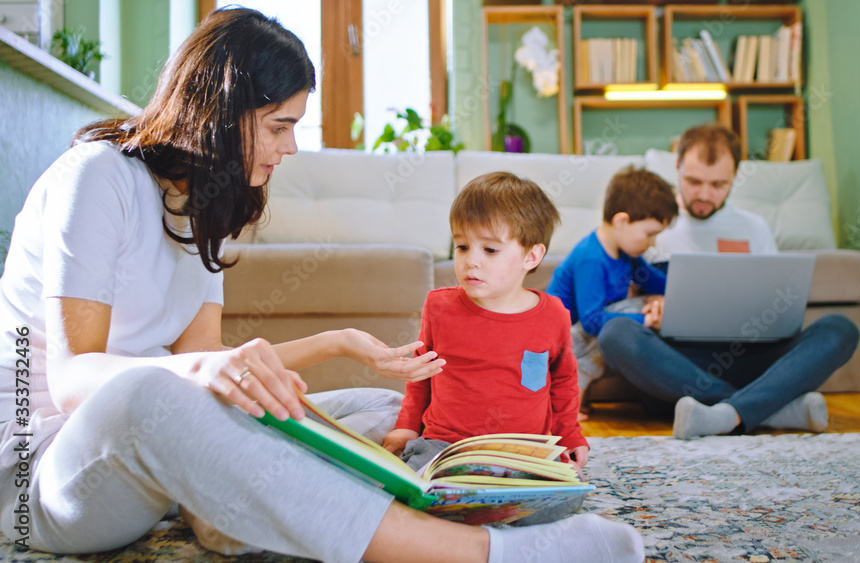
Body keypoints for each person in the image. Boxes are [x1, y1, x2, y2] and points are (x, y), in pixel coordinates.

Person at [0, 8, 644, 563]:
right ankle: (482, 554)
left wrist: (339, 342)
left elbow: (221, 375)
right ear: (220, 112)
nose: (293, 147)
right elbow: (74, 379)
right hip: (43, 472)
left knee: (384, 415)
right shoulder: (97, 178)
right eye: (279, 125)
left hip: (158, 459)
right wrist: (202, 372)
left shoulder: (202, 207)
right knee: (152, 393)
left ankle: (230, 517)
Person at [597, 124, 860, 440]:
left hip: (752, 356)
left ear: (736, 175)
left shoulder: (754, 228)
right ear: (677, 167)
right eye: (694, 181)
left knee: (840, 330)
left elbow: (779, 306)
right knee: (614, 333)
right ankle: (769, 409)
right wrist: (645, 303)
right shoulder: (651, 226)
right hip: (678, 363)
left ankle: (720, 412)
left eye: (718, 184)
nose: (704, 194)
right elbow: (614, 300)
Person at [382, 172, 589, 477]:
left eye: (490, 250)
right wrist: (406, 427)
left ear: (531, 256)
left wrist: (569, 433)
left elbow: (562, 382)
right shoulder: (439, 307)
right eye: (462, 247)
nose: (471, 261)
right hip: (445, 447)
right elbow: (419, 377)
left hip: (524, 450)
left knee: (560, 499)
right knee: (412, 487)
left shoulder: (553, 314)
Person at [545, 166, 678, 419]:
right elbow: (592, 321)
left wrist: (681, 290)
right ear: (622, 221)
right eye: (650, 234)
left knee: (639, 304)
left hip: (584, 334)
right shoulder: (591, 257)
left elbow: (657, 281)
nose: (653, 243)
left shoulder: (627, 253)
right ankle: (571, 392)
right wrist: (645, 319)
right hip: (561, 340)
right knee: (634, 309)